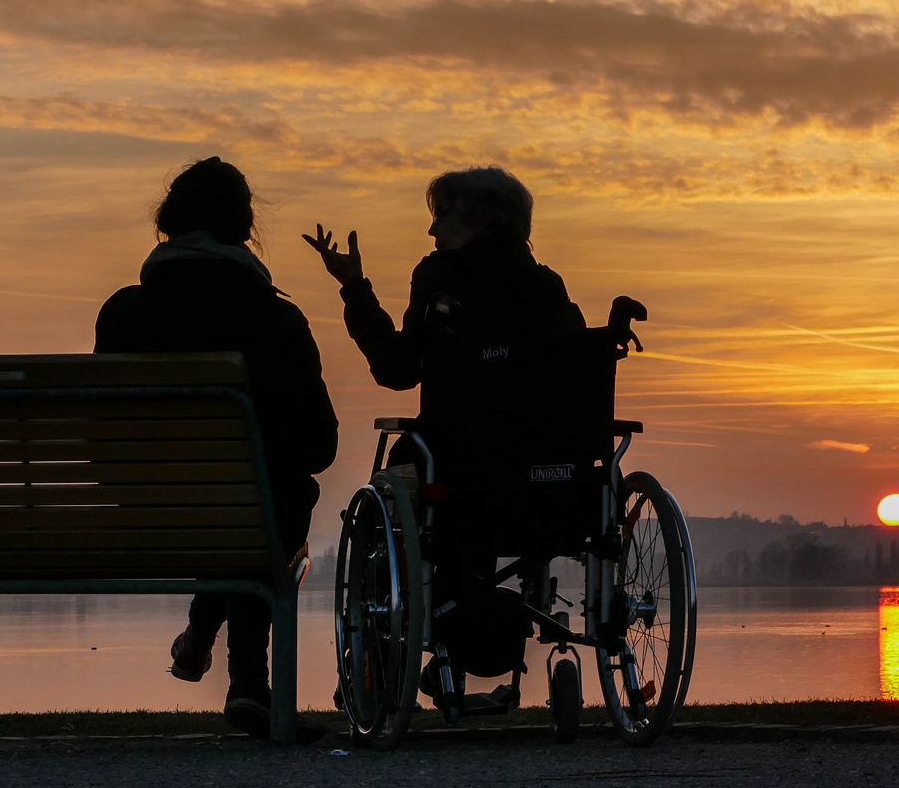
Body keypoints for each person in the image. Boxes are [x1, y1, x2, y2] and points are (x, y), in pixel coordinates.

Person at [305, 166, 585, 696]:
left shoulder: (440, 279)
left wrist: (354, 288)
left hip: (455, 477)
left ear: (483, 219)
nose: (432, 232)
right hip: (547, 488)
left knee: (393, 491)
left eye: (441, 217)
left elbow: (395, 370)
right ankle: (470, 628)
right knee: (465, 480)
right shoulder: (547, 289)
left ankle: (378, 668)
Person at [96, 156, 337, 741]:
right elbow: (320, 445)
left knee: (240, 501)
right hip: (248, 518)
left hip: (143, 515)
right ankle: (249, 680)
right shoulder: (276, 319)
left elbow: (104, 433)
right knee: (267, 499)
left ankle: (202, 640)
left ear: (168, 222)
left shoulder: (123, 313)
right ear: (243, 228)